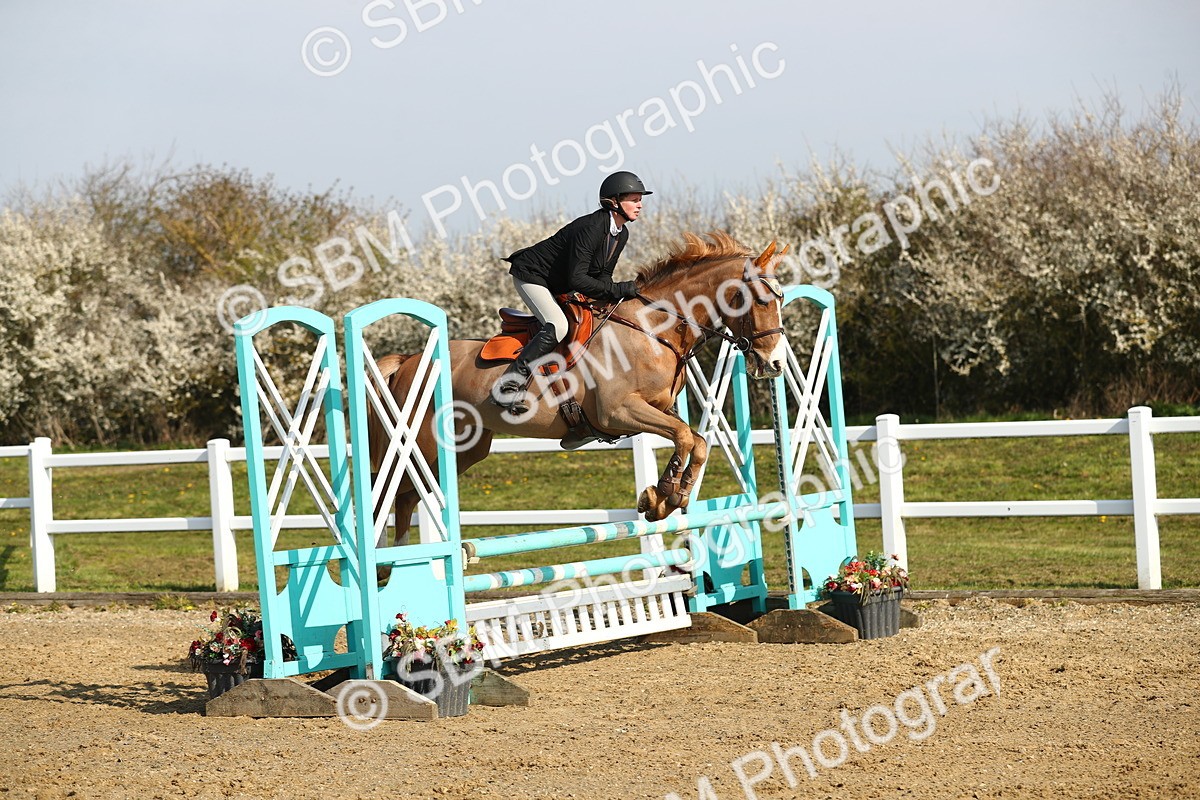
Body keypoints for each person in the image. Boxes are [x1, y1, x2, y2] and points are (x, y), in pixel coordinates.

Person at [490, 170, 651, 412]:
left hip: (560, 282)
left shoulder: (621, 233)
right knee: (558, 325)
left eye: (640, 200)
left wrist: (612, 295)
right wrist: (618, 289)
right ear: (614, 202)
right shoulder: (592, 227)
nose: (639, 205)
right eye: (634, 199)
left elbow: (603, 276)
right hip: (533, 276)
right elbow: (578, 279)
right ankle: (508, 386)